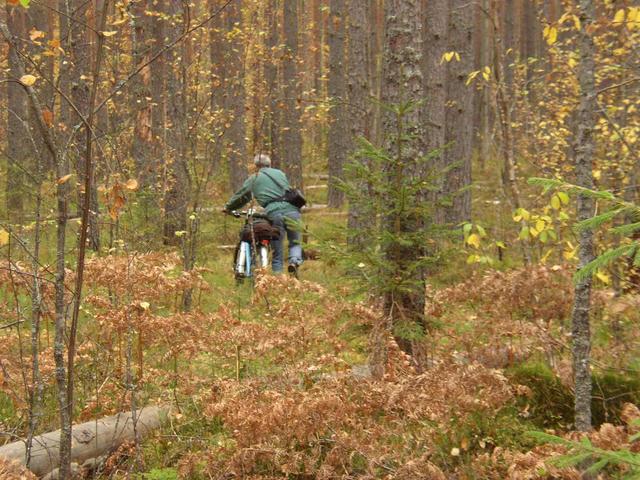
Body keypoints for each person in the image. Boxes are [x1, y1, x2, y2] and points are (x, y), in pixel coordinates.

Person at [223, 154, 303, 275]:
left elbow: (242, 196)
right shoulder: (280, 174)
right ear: (269, 164)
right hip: (292, 210)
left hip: (274, 213)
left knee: (277, 248)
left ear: (256, 165)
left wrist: (228, 207)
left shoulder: (254, 178)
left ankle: (277, 277)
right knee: (295, 242)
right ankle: (294, 261)